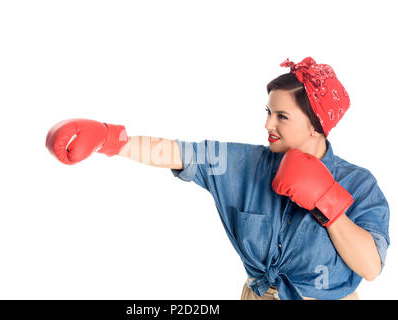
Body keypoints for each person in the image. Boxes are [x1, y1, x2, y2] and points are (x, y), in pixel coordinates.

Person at [45, 57, 390, 300]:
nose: (268, 125)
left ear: (317, 125)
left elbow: (371, 268)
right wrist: (109, 139)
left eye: (282, 116)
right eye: (267, 113)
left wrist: (328, 201)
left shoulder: (359, 184)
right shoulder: (245, 163)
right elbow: (178, 152)